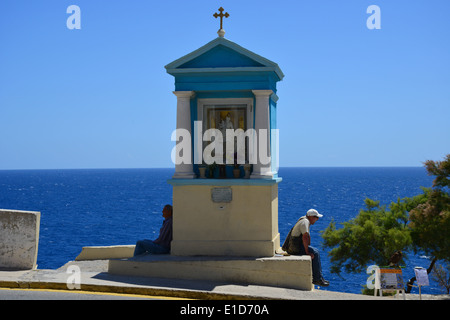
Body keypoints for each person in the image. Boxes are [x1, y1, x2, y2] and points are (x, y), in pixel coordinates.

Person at [282, 209, 329, 287]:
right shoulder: (305, 222)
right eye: (316, 217)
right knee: (315, 253)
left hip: (294, 246)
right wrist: (307, 252)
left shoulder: (303, 219)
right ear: (311, 217)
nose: (317, 219)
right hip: (295, 249)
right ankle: (317, 279)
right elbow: (305, 237)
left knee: (316, 251)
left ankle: (319, 277)